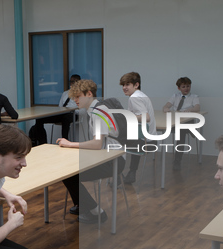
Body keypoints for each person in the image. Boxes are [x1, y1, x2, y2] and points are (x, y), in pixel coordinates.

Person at [57, 79, 125, 224]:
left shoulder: (99, 112)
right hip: (106, 158)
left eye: (78, 96)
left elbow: (97, 144)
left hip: (113, 161)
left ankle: (95, 212)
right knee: (69, 172)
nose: (75, 100)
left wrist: (70, 144)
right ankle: (84, 206)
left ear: (89, 94)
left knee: (70, 175)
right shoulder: (96, 110)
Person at [120, 72, 155, 184]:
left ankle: (117, 175)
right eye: (123, 85)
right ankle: (131, 173)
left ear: (136, 85)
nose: (124, 88)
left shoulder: (134, 98)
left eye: (127, 84)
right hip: (151, 141)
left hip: (143, 142)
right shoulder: (141, 95)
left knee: (112, 141)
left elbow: (146, 117)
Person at [28, 74, 80, 145]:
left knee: (66, 118)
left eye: (74, 81)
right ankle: (43, 142)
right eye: (71, 81)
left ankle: (65, 141)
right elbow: (60, 107)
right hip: (63, 113)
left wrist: (71, 110)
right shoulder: (65, 93)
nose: (72, 83)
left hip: (74, 114)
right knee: (40, 118)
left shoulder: (80, 94)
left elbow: (82, 109)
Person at [163, 77, 200, 170]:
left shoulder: (194, 97)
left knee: (181, 133)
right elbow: (166, 106)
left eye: (188, 86)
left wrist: (190, 109)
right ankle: (191, 130)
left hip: (187, 121)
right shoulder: (175, 96)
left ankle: (177, 160)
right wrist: (166, 108)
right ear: (179, 88)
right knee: (171, 128)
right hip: (176, 121)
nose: (186, 88)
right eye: (183, 87)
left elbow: (197, 108)